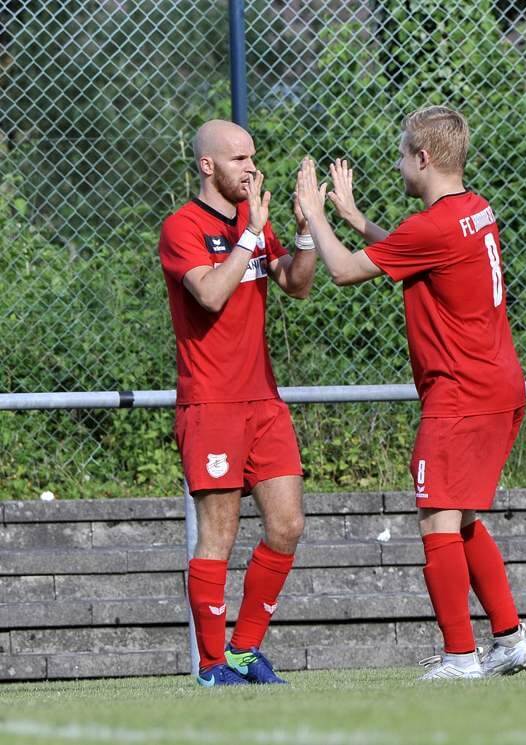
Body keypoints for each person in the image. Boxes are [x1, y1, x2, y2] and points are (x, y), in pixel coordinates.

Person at [294, 106, 526, 680]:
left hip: (462, 392)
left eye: (403, 154)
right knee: (465, 519)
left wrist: (313, 216)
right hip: (497, 384)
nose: (400, 163)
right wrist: (353, 216)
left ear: (422, 159)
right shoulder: (474, 209)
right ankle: (509, 641)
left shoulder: (432, 225)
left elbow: (346, 272)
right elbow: (412, 250)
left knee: (436, 520)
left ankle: (460, 656)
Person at [158, 119, 317, 686]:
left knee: (288, 524)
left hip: (263, 401)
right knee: (218, 535)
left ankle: (245, 649)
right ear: (208, 166)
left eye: (253, 157)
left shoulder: (255, 223)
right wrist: (251, 232)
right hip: (211, 404)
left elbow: (295, 284)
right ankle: (209, 664)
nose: (251, 167)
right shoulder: (182, 226)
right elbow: (209, 293)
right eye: (238, 159)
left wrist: (302, 235)